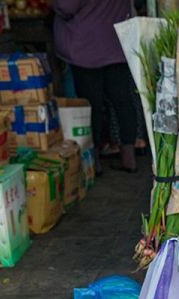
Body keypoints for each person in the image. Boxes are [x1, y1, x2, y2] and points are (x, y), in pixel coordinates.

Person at [53, 0, 139, 173]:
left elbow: (66, 6)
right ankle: (129, 157)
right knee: (123, 102)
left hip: (87, 48)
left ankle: (94, 160)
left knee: (91, 105)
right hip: (116, 43)